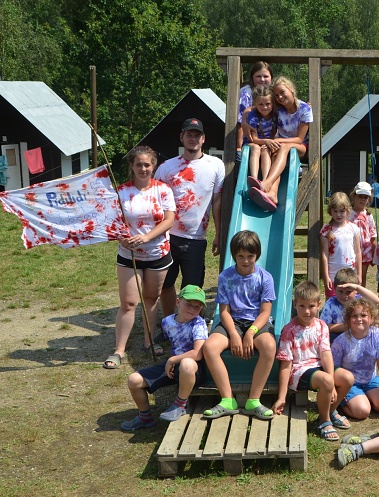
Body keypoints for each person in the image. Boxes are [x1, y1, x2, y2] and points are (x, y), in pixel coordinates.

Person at [105, 146, 176, 369]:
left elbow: (169, 220)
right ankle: (119, 350)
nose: (143, 168)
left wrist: (146, 238)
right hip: (129, 255)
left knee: (151, 299)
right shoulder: (121, 192)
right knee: (128, 303)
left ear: (153, 166)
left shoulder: (163, 190)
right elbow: (112, 221)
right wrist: (122, 238)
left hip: (157, 253)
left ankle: (149, 341)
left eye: (147, 164)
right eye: (139, 165)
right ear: (132, 166)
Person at [201, 231, 277, 420]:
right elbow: (224, 311)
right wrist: (234, 334)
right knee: (209, 347)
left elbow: (265, 312)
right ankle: (227, 400)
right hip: (232, 321)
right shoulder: (225, 277)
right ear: (234, 255)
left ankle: (253, 400)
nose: (245, 260)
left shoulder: (265, 277)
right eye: (240, 256)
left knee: (269, 346)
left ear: (257, 255)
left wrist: (250, 333)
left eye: (250, 256)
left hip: (256, 322)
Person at [155, 118, 224, 318]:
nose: (193, 139)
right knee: (166, 283)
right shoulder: (167, 167)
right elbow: (155, 201)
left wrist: (218, 234)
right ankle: (169, 321)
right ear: (181, 137)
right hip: (168, 236)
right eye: (189, 135)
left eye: (197, 135)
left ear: (203, 139)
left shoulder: (215, 165)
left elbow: (217, 202)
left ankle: (191, 324)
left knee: (193, 286)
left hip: (196, 238)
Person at [273, 281, 354, 442]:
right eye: (302, 306)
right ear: (295, 304)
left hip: (318, 367)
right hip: (299, 371)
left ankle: (330, 410)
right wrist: (282, 397)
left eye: (311, 306)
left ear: (318, 305)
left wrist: (332, 381)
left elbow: (326, 354)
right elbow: (285, 364)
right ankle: (324, 421)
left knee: (348, 378)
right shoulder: (289, 330)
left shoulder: (322, 326)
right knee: (326, 380)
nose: (307, 311)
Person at [121, 285, 208, 431]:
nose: (192, 309)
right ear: (178, 302)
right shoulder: (167, 321)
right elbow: (171, 340)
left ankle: (180, 405)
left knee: (187, 363)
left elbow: (198, 353)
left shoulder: (198, 323)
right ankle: (145, 416)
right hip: (174, 366)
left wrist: (172, 360)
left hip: (194, 369)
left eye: (197, 307)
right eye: (189, 304)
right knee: (134, 380)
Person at [248, 76, 312, 211]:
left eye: (282, 92)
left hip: (300, 147)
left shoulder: (305, 109)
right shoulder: (278, 109)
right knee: (273, 153)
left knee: (283, 147)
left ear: (291, 89)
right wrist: (244, 120)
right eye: (276, 95)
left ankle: (267, 183)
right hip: (281, 146)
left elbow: (299, 139)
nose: (280, 97)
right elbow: (257, 107)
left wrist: (278, 140)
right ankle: (273, 194)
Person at [331, 299, 379, 420]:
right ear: (348, 320)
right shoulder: (341, 341)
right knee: (362, 412)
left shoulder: (377, 334)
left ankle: (368, 398)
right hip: (350, 383)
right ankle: (342, 402)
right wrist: (334, 388)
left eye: (363, 315)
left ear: (371, 318)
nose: (359, 319)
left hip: (370, 379)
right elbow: (334, 368)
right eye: (354, 316)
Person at [320, 192, 362, 298]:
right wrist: (326, 276)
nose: (338, 215)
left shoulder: (353, 228)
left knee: (350, 301)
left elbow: (358, 252)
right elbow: (324, 254)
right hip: (333, 274)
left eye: (342, 211)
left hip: (350, 274)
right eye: (335, 211)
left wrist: (359, 274)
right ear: (330, 211)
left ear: (348, 211)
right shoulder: (326, 230)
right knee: (332, 301)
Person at [320, 267, 378, 342]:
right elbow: (324, 326)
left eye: (348, 292)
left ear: (355, 291)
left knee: (374, 332)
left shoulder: (359, 300)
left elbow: (376, 300)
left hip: (359, 334)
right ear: (334, 289)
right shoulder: (331, 303)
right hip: (338, 336)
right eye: (340, 291)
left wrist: (357, 287)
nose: (344, 296)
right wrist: (346, 326)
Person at [235, 61, 273, 164]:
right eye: (258, 76)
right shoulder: (246, 93)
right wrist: (238, 147)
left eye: (265, 76)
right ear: (252, 78)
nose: (262, 79)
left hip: (268, 140)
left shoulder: (273, 92)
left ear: (271, 78)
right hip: (251, 139)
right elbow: (240, 122)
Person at [241, 85, 276, 182]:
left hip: (266, 143)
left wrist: (267, 143)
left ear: (272, 103)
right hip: (251, 143)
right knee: (256, 148)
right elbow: (254, 139)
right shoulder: (253, 116)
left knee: (265, 149)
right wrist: (266, 141)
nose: (265, 107)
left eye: (268, 104)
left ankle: (265, 180)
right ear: (255, 104)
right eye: (260, 104)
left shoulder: (275, 114)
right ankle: (254, 178)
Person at [349, 181, 378, 288]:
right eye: (360, 196)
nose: (362, 199)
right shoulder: (348, 213)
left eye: (365, 197)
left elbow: (373, 236)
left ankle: (361, 296)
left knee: (362, 277)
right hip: (350, 250)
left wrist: (374, 254)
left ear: (369, 199)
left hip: (365, 252)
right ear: (354, 196)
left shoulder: (369, 216)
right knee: (350, 276)